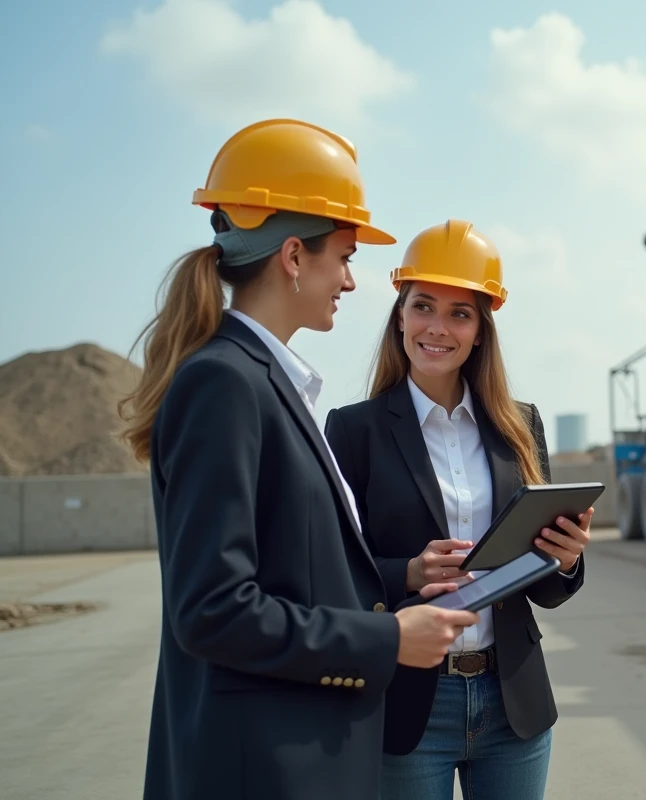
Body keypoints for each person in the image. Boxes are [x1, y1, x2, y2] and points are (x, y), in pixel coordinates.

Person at [118, 120, 479, 800]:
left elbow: (296, 568)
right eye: (343, 255)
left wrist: (398, 578)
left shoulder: (261, 379)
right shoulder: (225, 383)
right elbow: (214, 609)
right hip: (265, 768)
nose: (349, 279)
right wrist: (386, 639)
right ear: (292, 256)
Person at [323, 219, 593, 799]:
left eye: (460, 313)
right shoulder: (353, 430)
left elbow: (545, 588)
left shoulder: (520, 426)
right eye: (423, 306)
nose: (437, 328)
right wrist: (409, 573)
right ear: (399, 316)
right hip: (407, 703)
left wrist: (565, 561)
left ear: (480, 331)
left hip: (512, 701)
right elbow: (332, 571)